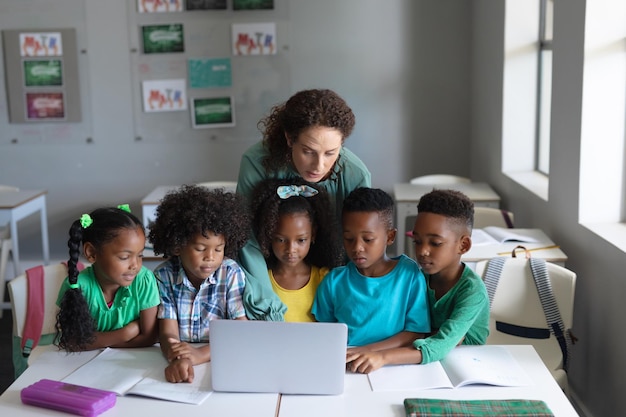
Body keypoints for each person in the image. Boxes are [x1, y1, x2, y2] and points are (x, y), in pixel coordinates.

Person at [237, 88, 371, 320]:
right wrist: (268, 308)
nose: (319, 165)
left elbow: (361, 247)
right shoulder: (256, 162)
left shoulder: (356, 174)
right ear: (289, 138)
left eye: (331, 153)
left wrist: (345, 302)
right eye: (308, 151)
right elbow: (247, 238)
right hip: (269, 273)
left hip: (332, 274)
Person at [345, 189, 490, 374]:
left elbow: (442, 343)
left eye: (435, 243)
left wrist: (382, 356)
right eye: (417, 241)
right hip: (419, 363)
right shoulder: (417, 277)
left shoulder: (472, 291)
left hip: (467, 366)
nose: (422, 251)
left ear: (463, 245)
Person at [148, 185, 250, 383]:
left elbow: (240, 330)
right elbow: (168, 332)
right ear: (178, 246)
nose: (210, 258)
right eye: (200, 249)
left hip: (224, 359)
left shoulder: (230, 273)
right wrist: (178, 357)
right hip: (184, 359)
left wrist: (200, 354)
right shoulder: (164, 276)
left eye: (218, 249)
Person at [312, 187, 430, 358]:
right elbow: (324, 333)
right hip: (346, 364)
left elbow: (415, 332)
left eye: (368, 239)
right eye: (349, 239)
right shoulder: (333, 282)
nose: (357, 248)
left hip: (394, 364)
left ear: (390, 237)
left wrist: (368, 351)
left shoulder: (408, 275)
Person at [55, 205, 160, 352]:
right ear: (92, 253)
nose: (135, 265)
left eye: (140, 255)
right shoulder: (77, 287)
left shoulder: (144, 280)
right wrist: (125, 334)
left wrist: (98, 341)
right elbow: (72, 341)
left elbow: (150, 337)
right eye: (124, 257)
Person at [249, 178, 344, 322]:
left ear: (313, 235)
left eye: (301, 240)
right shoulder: (262, 281)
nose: (291, 249)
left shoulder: (324, 278)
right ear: (268, 236)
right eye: (281, 240)